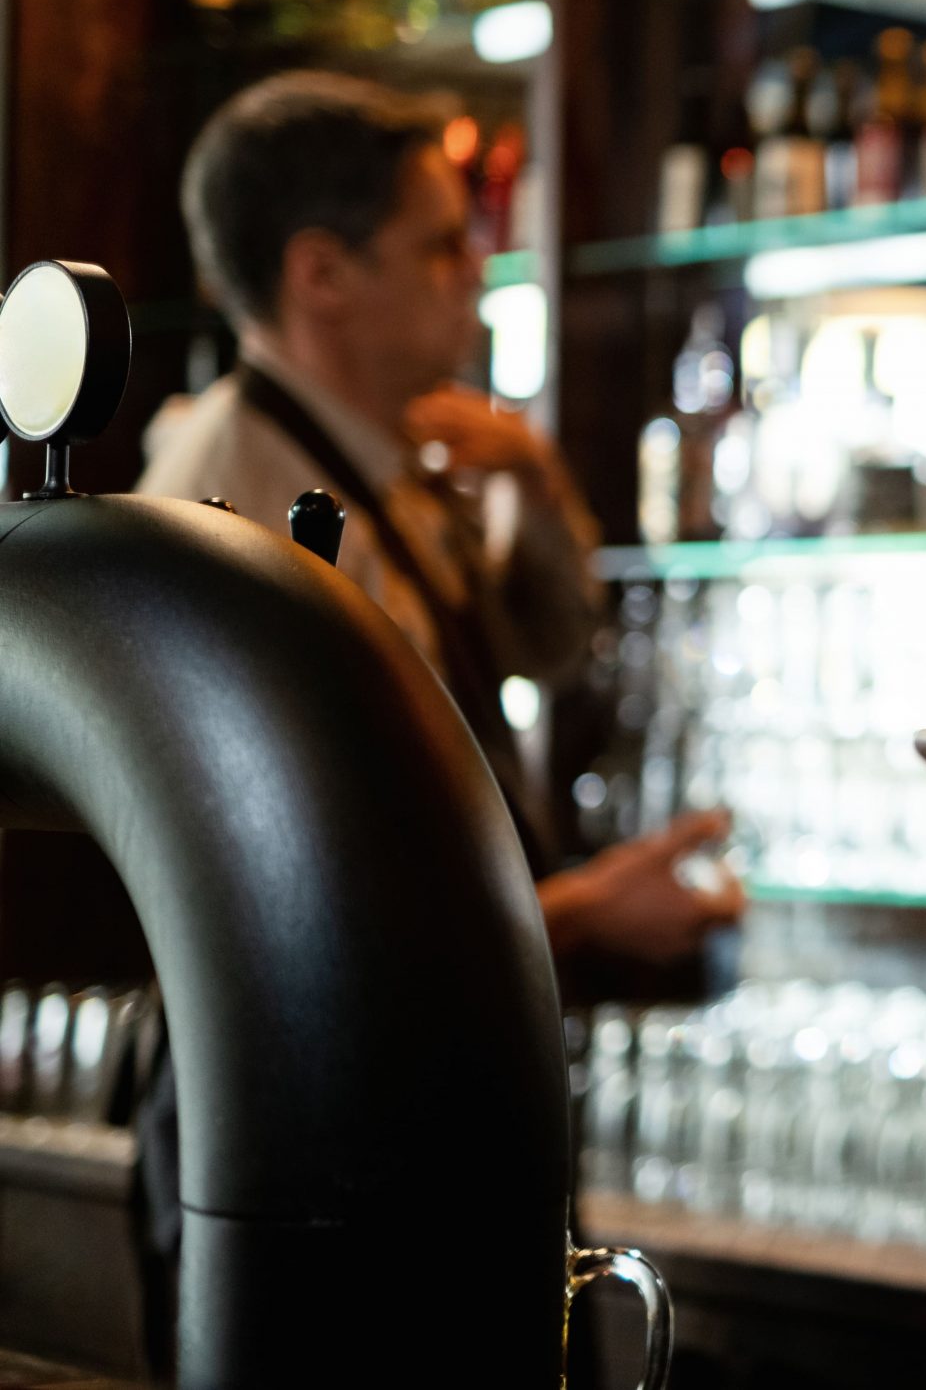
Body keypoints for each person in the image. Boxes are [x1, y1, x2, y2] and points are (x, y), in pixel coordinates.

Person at [139, 70, 743, 976]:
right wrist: (581, 914)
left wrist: (536, 486)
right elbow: (286, 900)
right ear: (323, 274)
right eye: (443, 246)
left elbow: (547, 651)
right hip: (302, 1088)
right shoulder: (230, 510)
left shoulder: (396, 451)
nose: (476, 271)